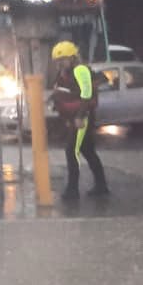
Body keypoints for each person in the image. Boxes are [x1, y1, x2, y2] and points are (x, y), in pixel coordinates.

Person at [49, 40, 109, 200]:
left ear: (72, 58)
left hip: (82, 119)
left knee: (71, 151)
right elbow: (61, 91)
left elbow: (87, 95)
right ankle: (101, 185)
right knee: (88, 151)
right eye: (58, 61)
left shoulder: (80, 70)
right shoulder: (64, 74)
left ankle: (72, 190)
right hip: (74, 118)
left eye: (63, 60)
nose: (60, 64)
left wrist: (79, 117)